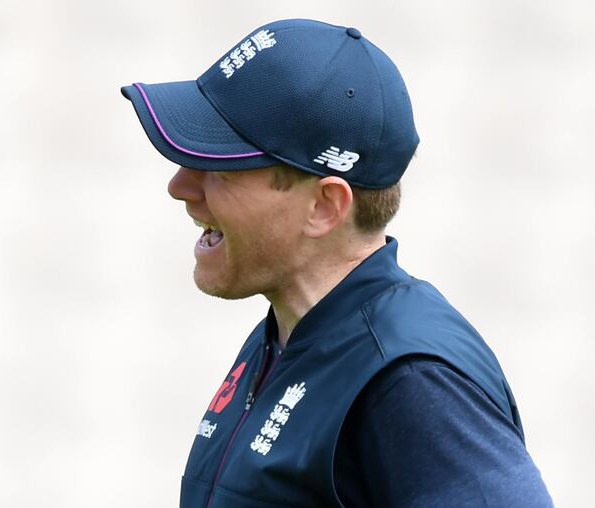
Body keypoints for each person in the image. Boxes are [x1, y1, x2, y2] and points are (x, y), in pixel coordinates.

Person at [121, 18, 552, 508]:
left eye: (221, 165)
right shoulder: (293, 334)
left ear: (324, 206)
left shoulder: (411, 380)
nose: (180, 186)